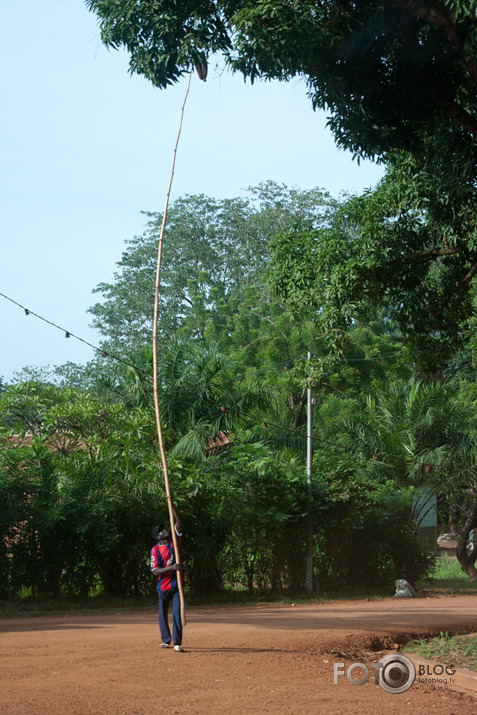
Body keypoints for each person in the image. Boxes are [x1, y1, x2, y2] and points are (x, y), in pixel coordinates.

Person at [150, 503, 183, 651]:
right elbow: (155, 571)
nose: (165, 530)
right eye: (162, 531)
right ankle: (165, 639)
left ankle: (177, 642)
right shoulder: (155, 550)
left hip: (177, 585)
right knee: (162, 614)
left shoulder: (173, 543)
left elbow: (179, 522)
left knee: (177, 613)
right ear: (158, 536)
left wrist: (172, 505)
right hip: (162, 586)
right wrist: (171, 567)